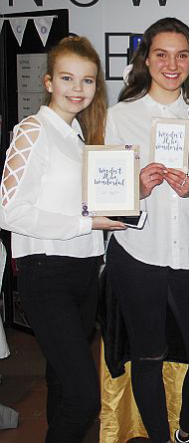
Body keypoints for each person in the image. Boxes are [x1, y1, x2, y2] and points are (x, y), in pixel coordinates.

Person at [0, 36, 125, 442]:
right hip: (46, 274)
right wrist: (88, 223)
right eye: (68, 78)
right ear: (49, 81)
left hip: (84, 272)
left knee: (60, 382)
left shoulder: (77, 138)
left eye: (87, 80)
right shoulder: (32, 131)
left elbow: (81, 203)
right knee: (83, 397)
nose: (77, 88)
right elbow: (9, 212)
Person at [104, 18, 189, 443]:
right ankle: (159, 438)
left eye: (181, 55)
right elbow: (103, 197)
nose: (172, 64)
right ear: (146, 60)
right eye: (162, 54)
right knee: (148, 356)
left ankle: (186, 432)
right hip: (138, 252)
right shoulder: (119, 117)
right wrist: (136, 188)